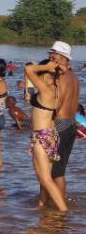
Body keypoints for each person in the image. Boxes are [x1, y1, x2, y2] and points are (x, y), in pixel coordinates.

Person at [25, 60, 67, 211]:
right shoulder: (55, 89)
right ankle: (42, 206)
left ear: (44, 76)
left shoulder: (46, 90)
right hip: (49, 135)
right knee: (44, 178)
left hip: (42, 136)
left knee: (45, 179)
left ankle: (63, 212)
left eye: (40, 74)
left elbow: (28, 69)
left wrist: (46, 67)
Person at [47, 41, 80, 201]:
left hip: (60, 124)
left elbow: (58, 104)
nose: (50, 57)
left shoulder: (61, 77)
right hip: (71, 125)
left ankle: (59, 207)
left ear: (63, 57)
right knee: (58, 171)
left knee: (54, 172)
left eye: (53, 54)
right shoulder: (74, 76)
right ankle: (59, 203)